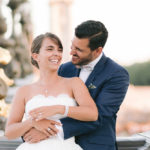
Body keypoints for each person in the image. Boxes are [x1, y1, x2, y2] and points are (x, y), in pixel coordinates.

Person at [22, 20, 130, 150]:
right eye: (72, 46)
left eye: (78, 49)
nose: (71, 52)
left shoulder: (116, 74)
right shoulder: (64, 69)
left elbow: (100, 116)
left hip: (94, 145)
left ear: (97, 51)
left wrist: (49, 131)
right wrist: (32, 128)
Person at [5, 32, 99, 150]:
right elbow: (9, 132)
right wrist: (32, 123)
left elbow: (92, 114)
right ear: (36, 56)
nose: (57, 54)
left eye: (59, 50)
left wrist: (58, 108)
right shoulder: (23, 91)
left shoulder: (74, 83)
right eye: (50, 49)